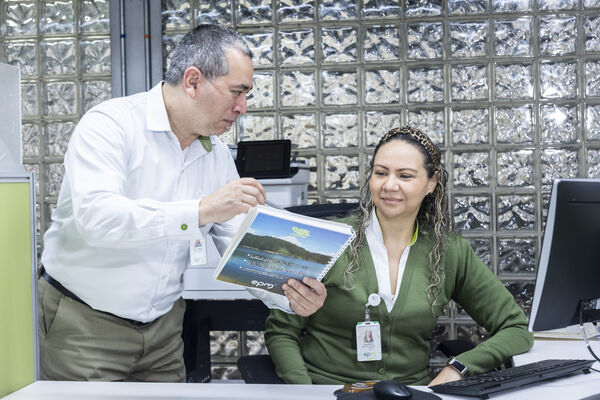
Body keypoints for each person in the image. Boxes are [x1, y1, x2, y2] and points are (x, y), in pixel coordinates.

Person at [38, 24, 326, 382]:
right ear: (192, 81)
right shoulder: (109, 126)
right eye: (237, 92)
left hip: (163, 329)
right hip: (87, 322)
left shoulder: (215, 154)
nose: (243, 108)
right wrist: (200, 210)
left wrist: (291, 296)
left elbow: (239, 240)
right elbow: (98, 219)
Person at [265, 126, 533, 386]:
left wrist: (459, 368)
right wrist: (305, 392)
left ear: (432, 183)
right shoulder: (327, 241)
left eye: (405, 176)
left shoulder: (450, 251)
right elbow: (281, 330)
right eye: (381, 173)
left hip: (411, 394)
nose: (389, 185)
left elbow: (515, 328)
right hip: (328, 392)